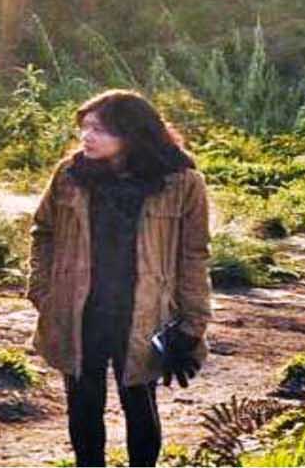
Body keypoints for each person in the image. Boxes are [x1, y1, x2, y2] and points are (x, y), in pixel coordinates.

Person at [28, 90, 213, 468]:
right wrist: (43, 291)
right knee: (82, 402)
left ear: (132, 132)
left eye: (99, 129)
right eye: (85, 128)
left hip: (143, 309)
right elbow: (43, 231)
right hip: (81, 308)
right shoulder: (69, 174)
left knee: (139, 401)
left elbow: (194, 255)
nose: (87, 137)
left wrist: (193, 323)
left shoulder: (182, 182)